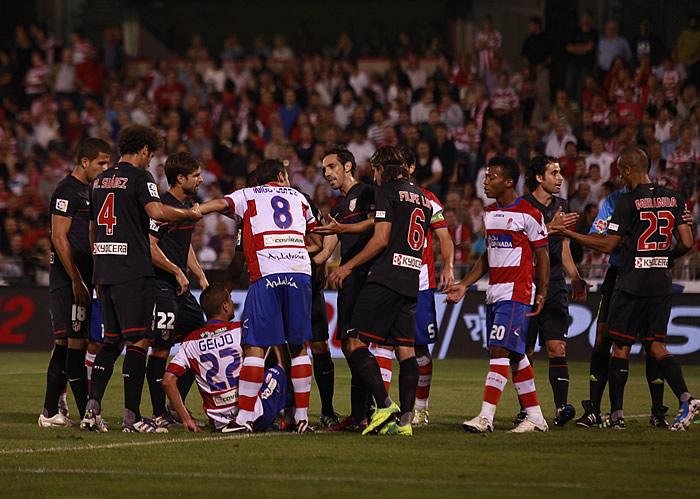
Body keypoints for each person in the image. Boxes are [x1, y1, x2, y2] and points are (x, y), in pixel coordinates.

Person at [549, 146, 698, 430]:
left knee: (619, 345)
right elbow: (688, 243)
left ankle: (618, 414)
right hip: (660, 280)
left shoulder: (627, 202)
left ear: (628, 170)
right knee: (655, 344)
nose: (619, 177)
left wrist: (566, 232)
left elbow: (607, 244)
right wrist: (665, 257)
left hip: (630, 281)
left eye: (620, 172)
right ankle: (684, 398)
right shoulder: (675, 197)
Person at [81, 125, 203, 433]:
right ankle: (132, 416)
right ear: (145, 150)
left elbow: (93, 228)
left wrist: (99, 261)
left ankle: (91, 411)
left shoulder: (99, 181)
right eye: (151, 154)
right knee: (139, 340)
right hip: (132, 271)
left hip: (105, 269)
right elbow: (158, 211)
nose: (151, 161)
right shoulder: (139, 178)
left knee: (110, 342)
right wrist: (190, 215)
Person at [199, 159, 320, 433]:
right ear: (280, 176)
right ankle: (301, 419)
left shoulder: (248, 194)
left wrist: (194, 211)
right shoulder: (300, 198)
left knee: (255, 345)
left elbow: (218, 204)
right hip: (300, 272)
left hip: (266, 273)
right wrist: (293, 247)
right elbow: (317, 241)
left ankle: (244, 419)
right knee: (298, 345)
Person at [328, 145, 432, 437]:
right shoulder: (423, 198)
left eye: (374, 169)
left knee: (353, 341)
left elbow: (381, 239)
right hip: (411, 278)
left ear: (383, 169)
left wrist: (347, 267)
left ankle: (385, 405)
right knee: (406, 350)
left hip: (386, 276)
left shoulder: (387, 191)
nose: (373, 175)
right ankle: (406, 422)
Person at [446, 156, 550, 434]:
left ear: (508, 182)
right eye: (485, 176)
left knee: (499, 349)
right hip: (494, 292)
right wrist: (465, 284)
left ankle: (485, 417)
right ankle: (536, 416)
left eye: (491, 177)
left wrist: (542, 292)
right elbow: (487, 257)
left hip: (517, 292)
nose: (485, 182)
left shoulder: (529, 212)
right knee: (516, 355)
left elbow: (543, 255)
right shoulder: (490, 214)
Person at [39, 138, 111, 428]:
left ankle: (52, 411)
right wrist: (77, 280)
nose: (105, 168)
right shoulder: (66, 190)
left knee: (68, 346)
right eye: (101, 163)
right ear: (85, 162)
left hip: (82, 279)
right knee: (73, 346)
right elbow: (58, 237)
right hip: (68, 280)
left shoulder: (89, 192)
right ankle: (82, 414)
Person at [162, 283, 288, 433]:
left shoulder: (190, 342)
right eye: (230, 299)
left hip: (219, 422)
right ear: (225, 306)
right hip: (254, 416)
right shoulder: (239, 330)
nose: (232, 302)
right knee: (278, 368)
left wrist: (185, 418)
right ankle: (289, 418)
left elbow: (168, 380)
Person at [519, 156, 586, 427]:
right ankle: (528, 410)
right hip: (527, 285)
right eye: (554, 173)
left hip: (556, 284)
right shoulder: (522, 207)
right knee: (524, 352)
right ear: (538, 177)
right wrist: (551, 228)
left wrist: (576, 277)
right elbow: (519, 243)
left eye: (560, 173)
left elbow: (564, 247)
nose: (560, 177)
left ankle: (560, 408)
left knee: (557, 347)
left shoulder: (562, 205)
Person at [314, 145, 376, 431]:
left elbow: (379, 224)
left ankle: (374, 409)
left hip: (366, 278)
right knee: (352, 350)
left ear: (348, 166)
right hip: (347, 281)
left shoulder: (368, 193)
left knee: (357, 345)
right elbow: (327, 251)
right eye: (324, 169)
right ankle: (360, 413)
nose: (327, 174)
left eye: (331, 167)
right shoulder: (338, 208)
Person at [146, 152, 208, 429]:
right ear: (180, 178)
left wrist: (200, 274)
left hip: (180, 287)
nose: (201, 179)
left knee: (200, 337)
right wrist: (176, 270)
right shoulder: (161, 207)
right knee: (160, 348)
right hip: (160, 285)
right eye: (196, 175)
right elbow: (150, 246)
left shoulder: (187, 206)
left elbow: (185, 244)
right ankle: (159, 412)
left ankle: (175, 402)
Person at [403, 147, 455, 426]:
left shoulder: (428, 199)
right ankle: (387, 407)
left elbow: (444, 238)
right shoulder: (382, 196)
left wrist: (447, 266)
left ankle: (420, 407)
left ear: (411, 167)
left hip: (420, 282)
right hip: (391, 280)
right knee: (384, 346)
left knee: (420, 348)